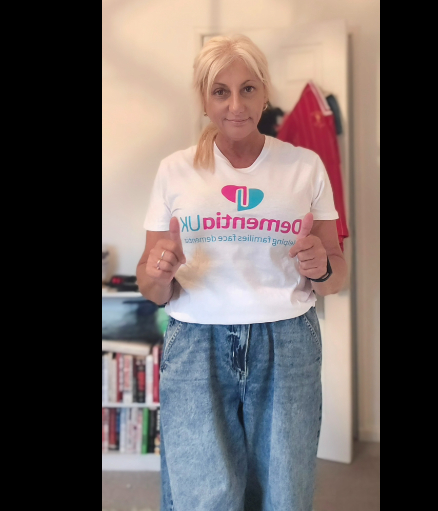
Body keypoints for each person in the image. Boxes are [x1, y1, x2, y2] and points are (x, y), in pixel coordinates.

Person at [136, 34, 348, 511]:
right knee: (202, 496)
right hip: (195, 344)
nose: (236, 105)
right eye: (221, 91)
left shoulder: (305, 166)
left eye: (248, 88)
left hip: (287, 342)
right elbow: (151, 287)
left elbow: (337, 275)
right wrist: (160, 270)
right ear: (204, 100)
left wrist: (321, 267)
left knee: (284, 492)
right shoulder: (174, 171)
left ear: (265, 92)